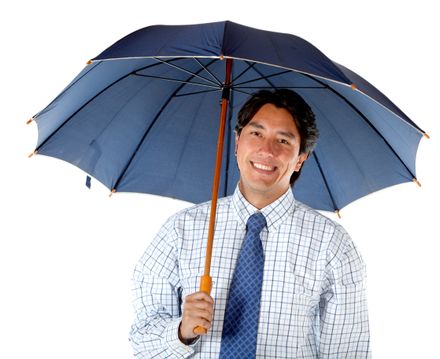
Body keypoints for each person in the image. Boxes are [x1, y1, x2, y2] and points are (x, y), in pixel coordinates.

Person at [129, 89, 371, 358]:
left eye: (283, 140)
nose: (267, 150)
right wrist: (181, 332)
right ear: (236, 142)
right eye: (256, 133)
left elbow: (349, 353)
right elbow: (142, 343)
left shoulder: (331, 244)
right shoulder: (181, 230)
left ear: (301, 158)